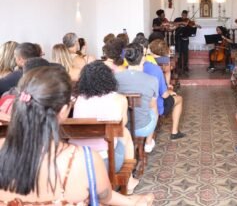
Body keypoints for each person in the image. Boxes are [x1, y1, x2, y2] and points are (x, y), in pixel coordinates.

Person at [0, 66, 153, 205]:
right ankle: (131, 181)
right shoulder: (83, 160)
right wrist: (138, 201)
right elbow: (105, 197)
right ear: (63, 111)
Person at [72, 61, 139, 194]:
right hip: (108, 162)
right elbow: (121, 126)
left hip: (80, 161)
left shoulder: (79, 99)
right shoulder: (119, 99)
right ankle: (129, 180)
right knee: (125, 133)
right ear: (109, 78)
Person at [114, 43, 159, 153]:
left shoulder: (115, 78)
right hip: (142, 127)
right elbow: (152, 106)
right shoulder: (152, 80)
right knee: (154, 110)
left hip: (122, 125)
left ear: (126, 58)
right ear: (143, 59)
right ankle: (148, 143)